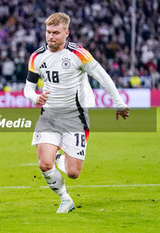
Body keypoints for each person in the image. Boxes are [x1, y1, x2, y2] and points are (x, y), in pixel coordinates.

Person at [24, 12, 130, 213]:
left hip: (76, 117)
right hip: (49, 115)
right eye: (48, 32)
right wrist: (34, 97)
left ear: (66, 33)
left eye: (56, 32)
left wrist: (119, 102)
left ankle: (59, 159)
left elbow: (103, 76)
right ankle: (65, 200)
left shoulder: (79, 54)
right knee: (44, 164)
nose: (51, 37)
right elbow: (28, 88)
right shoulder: (37, 56)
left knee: (73, 172)